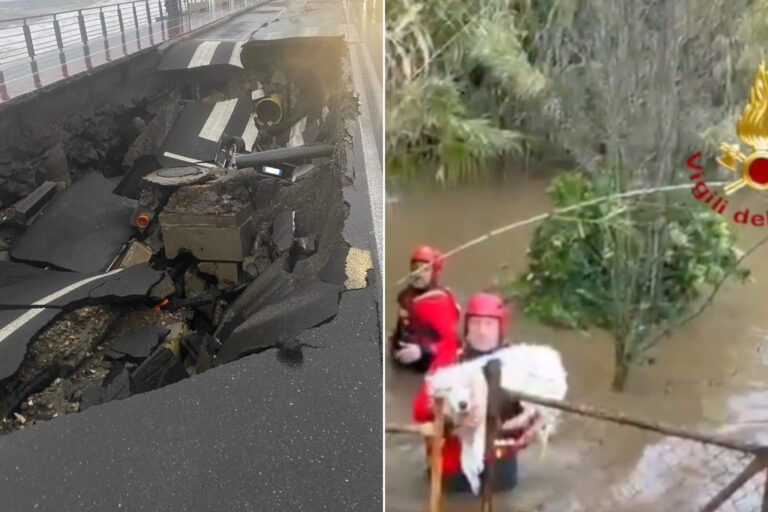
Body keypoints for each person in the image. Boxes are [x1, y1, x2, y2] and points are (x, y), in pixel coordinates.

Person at [411, 292, 540, 493]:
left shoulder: (519, 364)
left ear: (500, 329)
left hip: (500, 463)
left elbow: (537, 411)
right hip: (454, 464)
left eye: (489, 324)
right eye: (476, 323)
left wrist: (532, 426)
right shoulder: (448, 361)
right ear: (467, 328)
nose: (481, 331)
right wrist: (449, 414)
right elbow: (420, 410)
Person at [390, 245, 460, 373]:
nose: (418, 273)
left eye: (425, 270)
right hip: (400, 355)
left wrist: (422, 351)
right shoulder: (407, 294)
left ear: (434, 273)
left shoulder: (439, 303)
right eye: (415, 268)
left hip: (423, 365)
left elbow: (451, 345)